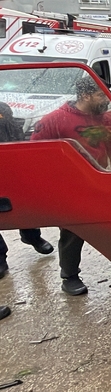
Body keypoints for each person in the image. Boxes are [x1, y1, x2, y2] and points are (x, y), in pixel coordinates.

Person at [30, 77, 111, 295]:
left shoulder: (106, 120)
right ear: (85, 95)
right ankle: (69, 276)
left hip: (101, 180)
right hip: (70, 187)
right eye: (102, 95)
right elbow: (36, 154)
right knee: (74, 231)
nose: (107, 101)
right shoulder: (54, 120)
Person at [0, 102, 55, 279]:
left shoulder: (5, 113)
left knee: (22, 204)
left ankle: (32, 236)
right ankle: (0, 257)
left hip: (10, 167)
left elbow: (17, 137)